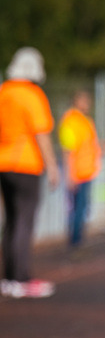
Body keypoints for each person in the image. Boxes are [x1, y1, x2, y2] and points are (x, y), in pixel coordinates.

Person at [0, 47, 59, 298]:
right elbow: (41, 134)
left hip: (3, 163)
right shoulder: (32, 94)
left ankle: (8, 278)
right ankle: (21, 278)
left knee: (11, 221)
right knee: (25, 219)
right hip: (26, 164)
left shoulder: (3, 92)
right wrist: (53, 167)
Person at [59, 90, 102, 250]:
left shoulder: (86, 121)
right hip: (77, 173)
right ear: (76, 101)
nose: (87, 104)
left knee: (83, 207)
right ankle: (75, 241)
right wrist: (70, 175)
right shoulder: (70, 121)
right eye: (84, 100)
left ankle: (78, 240)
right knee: (77, 208)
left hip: (88, 171)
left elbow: (90, 146)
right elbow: (67, 149)